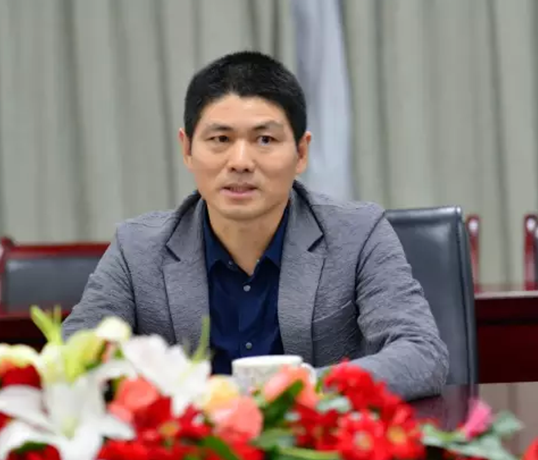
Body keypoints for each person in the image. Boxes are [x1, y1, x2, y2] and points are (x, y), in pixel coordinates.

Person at [62, 51, 448, 399]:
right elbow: (72, 359)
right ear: (187, 149)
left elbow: (422, 353)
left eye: (264, 139)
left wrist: (299, 388)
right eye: (220, 139)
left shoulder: (358, 234)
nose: (241, 161)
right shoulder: (137, 249)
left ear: (300, 152)